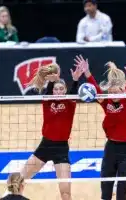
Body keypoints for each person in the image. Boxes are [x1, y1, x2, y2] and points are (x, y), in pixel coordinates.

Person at [75, 55, 126, 200]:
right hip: (111, 148)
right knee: (106, 188)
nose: (114, 94)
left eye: (117, 91)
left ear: (122, 90)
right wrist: (87, 73)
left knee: (122, 191)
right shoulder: (107, 103)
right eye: (112, 92)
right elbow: (96, 90)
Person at [18, 63, 83, 200]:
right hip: (45, 146)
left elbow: (73, 92)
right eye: (56, 89)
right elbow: (48, 91)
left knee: (65, 192)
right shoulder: (47, 101)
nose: (59, 92)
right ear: (53, 91)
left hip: (62, 150)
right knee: (18, 182)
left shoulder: (70, 102)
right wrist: (52, 80)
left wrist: (76, 80)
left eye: (61, 89)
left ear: (65, 90)